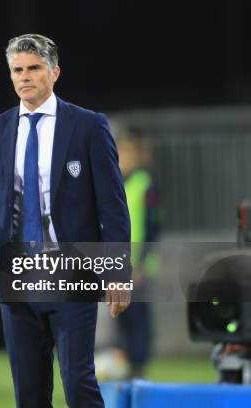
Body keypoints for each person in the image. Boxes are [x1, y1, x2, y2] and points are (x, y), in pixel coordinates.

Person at [0, 34, 131, 408]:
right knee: (29, 392)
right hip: (17, 271)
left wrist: (117, 270)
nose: (25, 77)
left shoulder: (88, 126)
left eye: (34, 68)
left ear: (54, 72)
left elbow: (113, 207)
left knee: (78, 383)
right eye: (17, 70)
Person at [115, 130, 160, 378]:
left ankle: (139, 366)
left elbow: (154, 227)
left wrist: (142, 264)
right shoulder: (118, 184)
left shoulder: (145, 184)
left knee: (138, 315)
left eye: (126, 152)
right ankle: (127, 362)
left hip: (138, 266)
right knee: (122, 314)